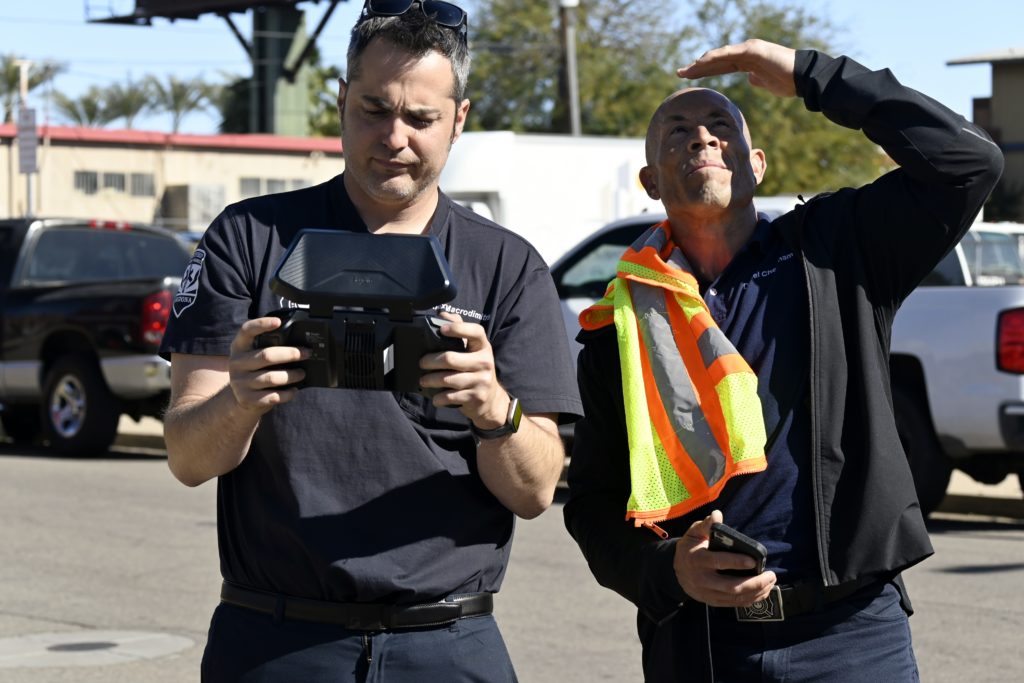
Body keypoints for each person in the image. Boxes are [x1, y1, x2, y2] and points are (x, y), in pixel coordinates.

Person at [160, 1, 582, 680]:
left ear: (459, 120)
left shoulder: (507, 265)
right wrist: (240, 398)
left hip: (447, 642)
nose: (394, 137)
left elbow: (534, 492)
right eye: (374, 109)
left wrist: (492, 408)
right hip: (273, 641)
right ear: (340, 102)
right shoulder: (248, 238)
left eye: (421, 118)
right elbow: (187, 455)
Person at [563, 39, 1002, 682]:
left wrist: (811, 75)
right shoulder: (618, 325)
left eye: (721, 126)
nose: (702, 137)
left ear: (757, 164)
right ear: (651, 180)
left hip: (852, 637)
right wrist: (667, 569)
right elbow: (593, 505)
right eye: (678, 130)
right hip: (700, 644)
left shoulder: (835, 250)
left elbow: (969, 162)